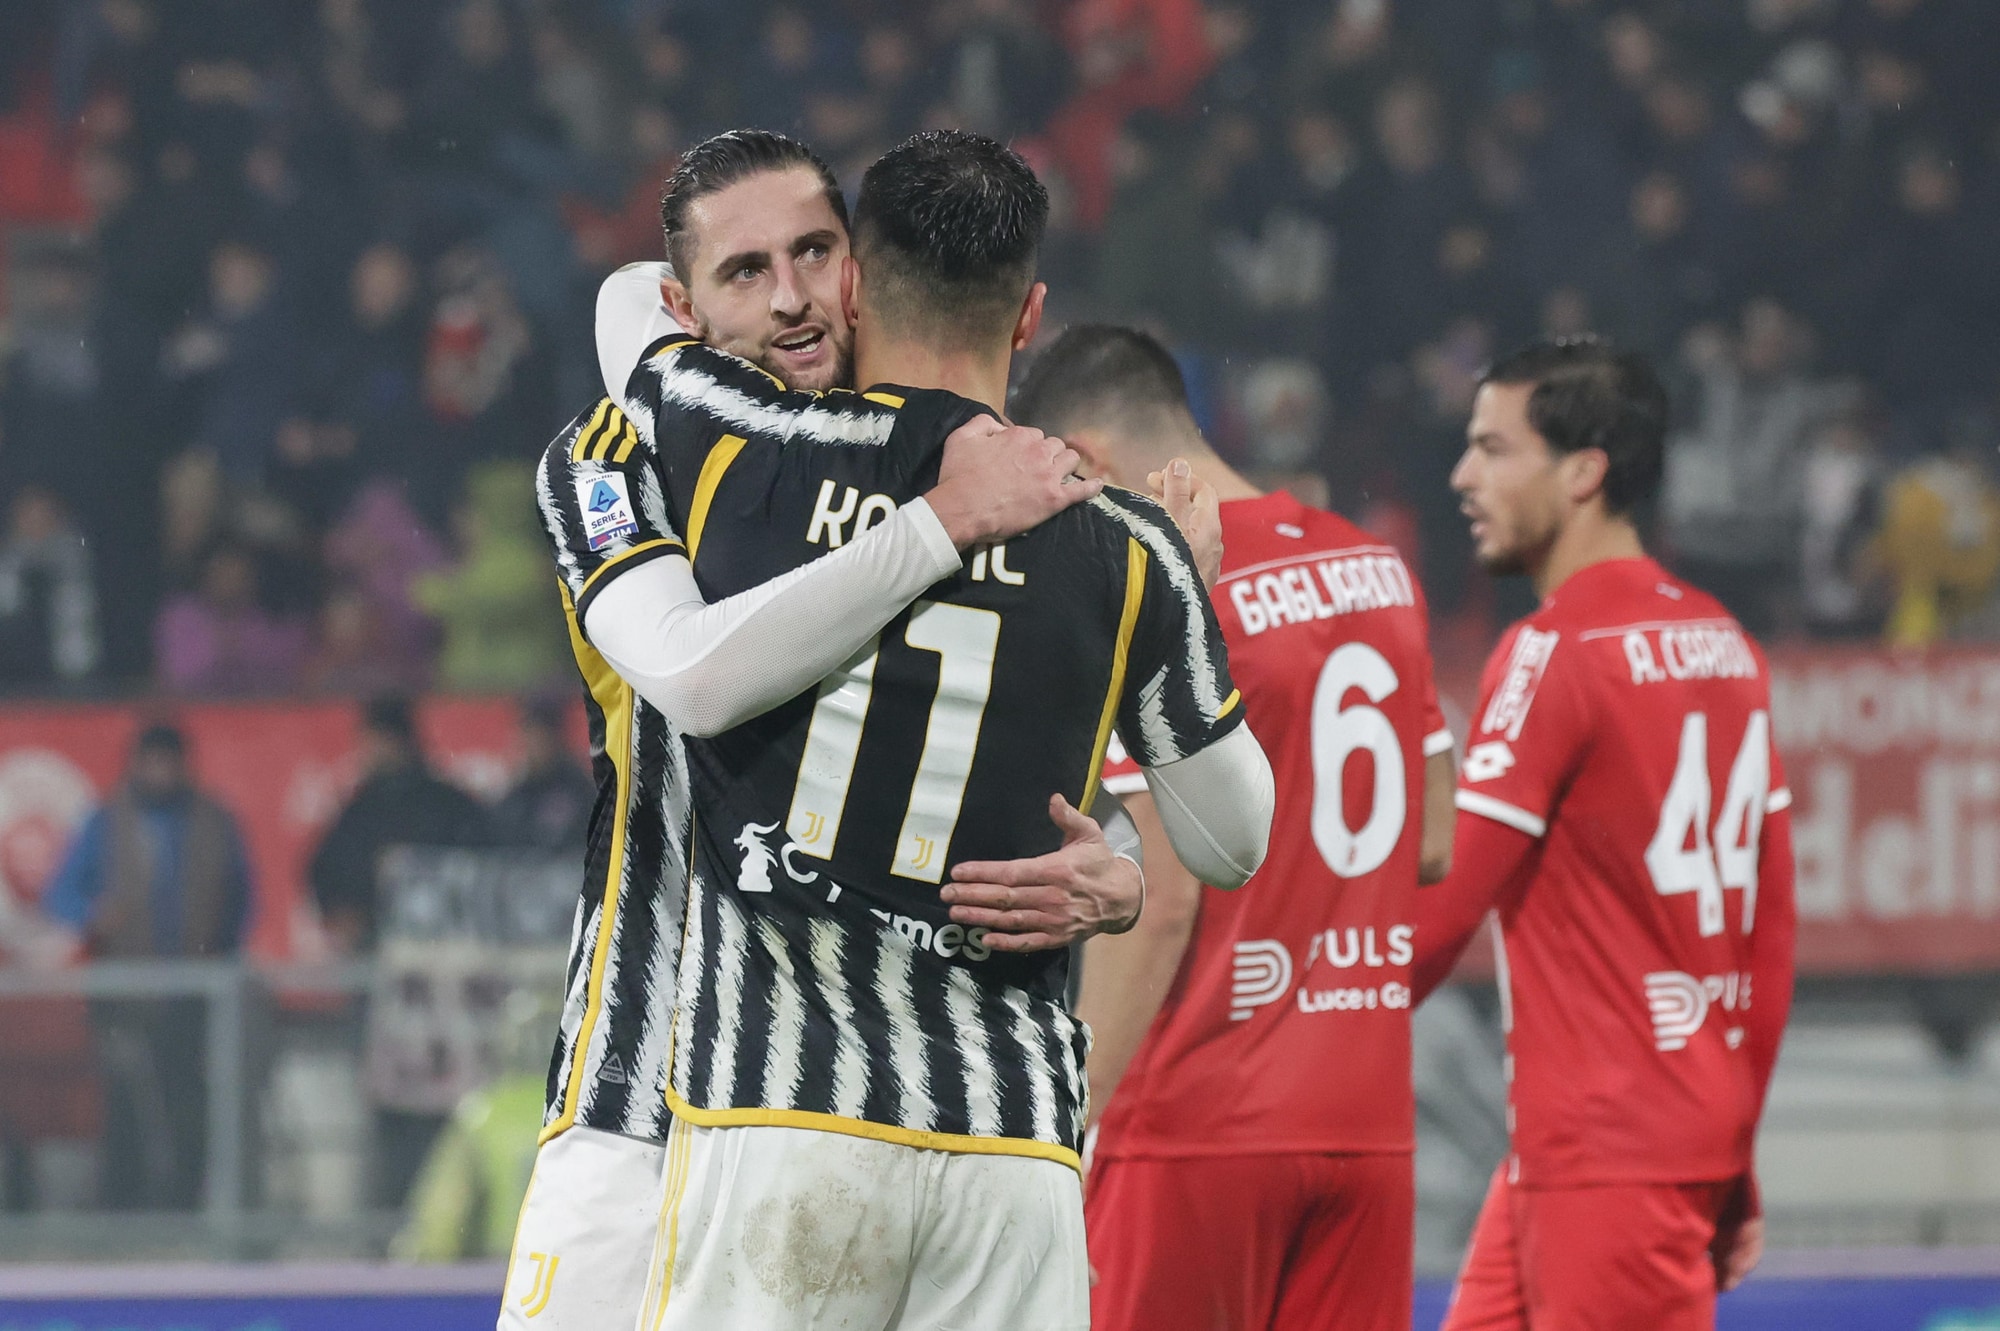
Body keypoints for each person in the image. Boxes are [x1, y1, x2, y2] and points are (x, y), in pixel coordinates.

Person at [522, 129, 1273, 1331]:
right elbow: (693, 672)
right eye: (745, 272)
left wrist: (1120, 864)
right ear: (683, 307)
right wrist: (945, 523)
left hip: (819, 1113)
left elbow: (983, 760)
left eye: (815, 253)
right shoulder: (628, 451)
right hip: (641, 1091)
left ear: (862, 276)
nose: (791, 299)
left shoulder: (979, 475)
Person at [1011, 325, 1455, 1331]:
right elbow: (1432, 840)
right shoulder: (1377, 568)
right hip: (1365, 1123)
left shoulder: (1164, 586)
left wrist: (1068, 1126)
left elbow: (1164, 898)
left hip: (1196, 1119)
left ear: (1085, 456)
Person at [1412, 338, 1797, 1330]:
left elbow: (1436, 920)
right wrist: (1734, 1147)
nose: (1462, 477)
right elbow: (1767, 932)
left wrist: (1294, 987)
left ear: (1583, 472)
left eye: (1494, 448)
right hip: (1625, 1138)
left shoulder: (1552, 650)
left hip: (1606, 1148)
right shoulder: (1725, 642)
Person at [43, 723, 253, 1209]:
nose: (161, 773)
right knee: (125, 1105)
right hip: (124, 996)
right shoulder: (106, 821)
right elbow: (61, 893)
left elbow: (242, 895)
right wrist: (92, 913)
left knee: (187, 1103)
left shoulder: (213, 821)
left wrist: (222, 952)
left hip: (191, 994)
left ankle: (185, 1205)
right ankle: (124, 1209)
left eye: (168, 762)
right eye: (152, 761)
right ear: (135, 764)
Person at [309, 694, 489, 956]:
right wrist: (339, 911)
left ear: (395, 741)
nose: (366, 751)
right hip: (374, 948)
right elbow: (325, 868)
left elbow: (483, 870)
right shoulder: (360, 807)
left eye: (373, 740)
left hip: (445, 949)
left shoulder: (447, 804)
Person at [488, 693, 593, 853]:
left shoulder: (579, 791)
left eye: (536, 734)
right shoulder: (518, 795)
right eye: (525, 734)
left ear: (554, 736)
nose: (528, 745)